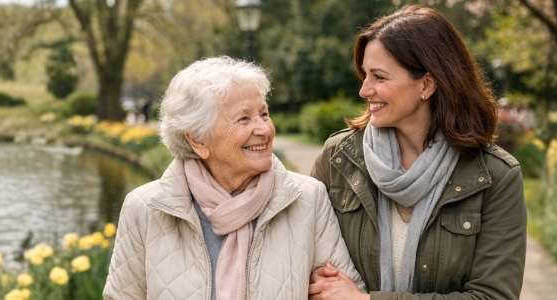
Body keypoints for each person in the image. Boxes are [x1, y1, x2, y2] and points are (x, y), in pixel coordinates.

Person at [308, 5, 526, 299]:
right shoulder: (338, 159)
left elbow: (493, 296)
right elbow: (302, 255)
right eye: (365, 76)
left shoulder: (495, 177)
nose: (364, 90)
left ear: (427, 84)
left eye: (379, 77)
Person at [103, 56, 364, 300]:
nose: (263, 129)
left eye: (264, 114)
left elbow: (343, 291)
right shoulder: (144, 208)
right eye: (243, 118)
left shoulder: (308, 198)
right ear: (198, 140)